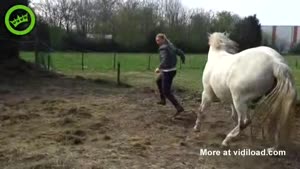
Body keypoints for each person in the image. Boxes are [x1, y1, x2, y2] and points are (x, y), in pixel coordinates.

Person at [155, 33, 185, 117]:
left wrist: (159, 67)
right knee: (158, 81)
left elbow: (164, 59)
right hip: (171, 70)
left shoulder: (163, 48)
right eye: (156, 40)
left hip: (167, 71)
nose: (157, 42)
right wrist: (183, 58)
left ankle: (178, 107)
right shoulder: (170, 46)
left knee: (166, 91)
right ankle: (163, 100)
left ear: (163, 39)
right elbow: (179, 52)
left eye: (158, 40)